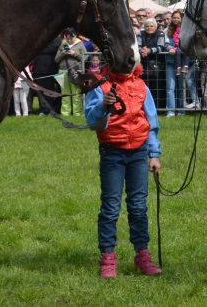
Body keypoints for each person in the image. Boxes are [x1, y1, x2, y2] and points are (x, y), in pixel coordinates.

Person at [84, 63, 163, 279]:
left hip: (139, 152)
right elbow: (92, 121)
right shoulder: (100, 86)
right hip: (112, 152)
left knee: (138, 206)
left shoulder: (141, 86)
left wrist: (154, 154)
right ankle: (108, 257)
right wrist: (103, 105)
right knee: (110, 207)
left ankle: (142, 255)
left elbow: (151, 122)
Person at [137, 18, 172, 110]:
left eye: (151, 26)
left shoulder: (160, 33)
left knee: (156, 87)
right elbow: (138, 46)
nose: (149, 28)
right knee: (144, 88)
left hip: (157, 65)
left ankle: (157, 108)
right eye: (147, 26)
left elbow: (160, 47)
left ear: (155, 27)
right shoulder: (140, 34)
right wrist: (142, 50)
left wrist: (149, 51)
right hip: (143, 65)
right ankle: (144, 108)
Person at [55, 28, 87, 116]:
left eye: (71, 38)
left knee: (76, 93)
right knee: (65, 94)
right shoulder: (63, 44)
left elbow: (85, 58)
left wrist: (74, 54)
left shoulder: (80, 44)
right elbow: (56, 59)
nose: (69, 40)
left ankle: (77, 113)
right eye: (67, 37)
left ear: (75, 36)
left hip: (75, 71)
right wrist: (63, 53)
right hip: (62, 71)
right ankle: (65, 113)